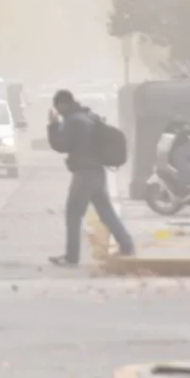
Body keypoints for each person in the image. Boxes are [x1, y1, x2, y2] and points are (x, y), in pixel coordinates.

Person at [46, 89, 134, 267]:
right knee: (106, 212)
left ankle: (72, 256)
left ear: (63, 104)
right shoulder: (88, 116)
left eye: (58, 106)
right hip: (97, 171)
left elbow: (61, 145)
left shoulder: (73, 122)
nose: (58, 110)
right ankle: (127, 245)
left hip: (84, 173)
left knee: (73, 213)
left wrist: (53, 126)